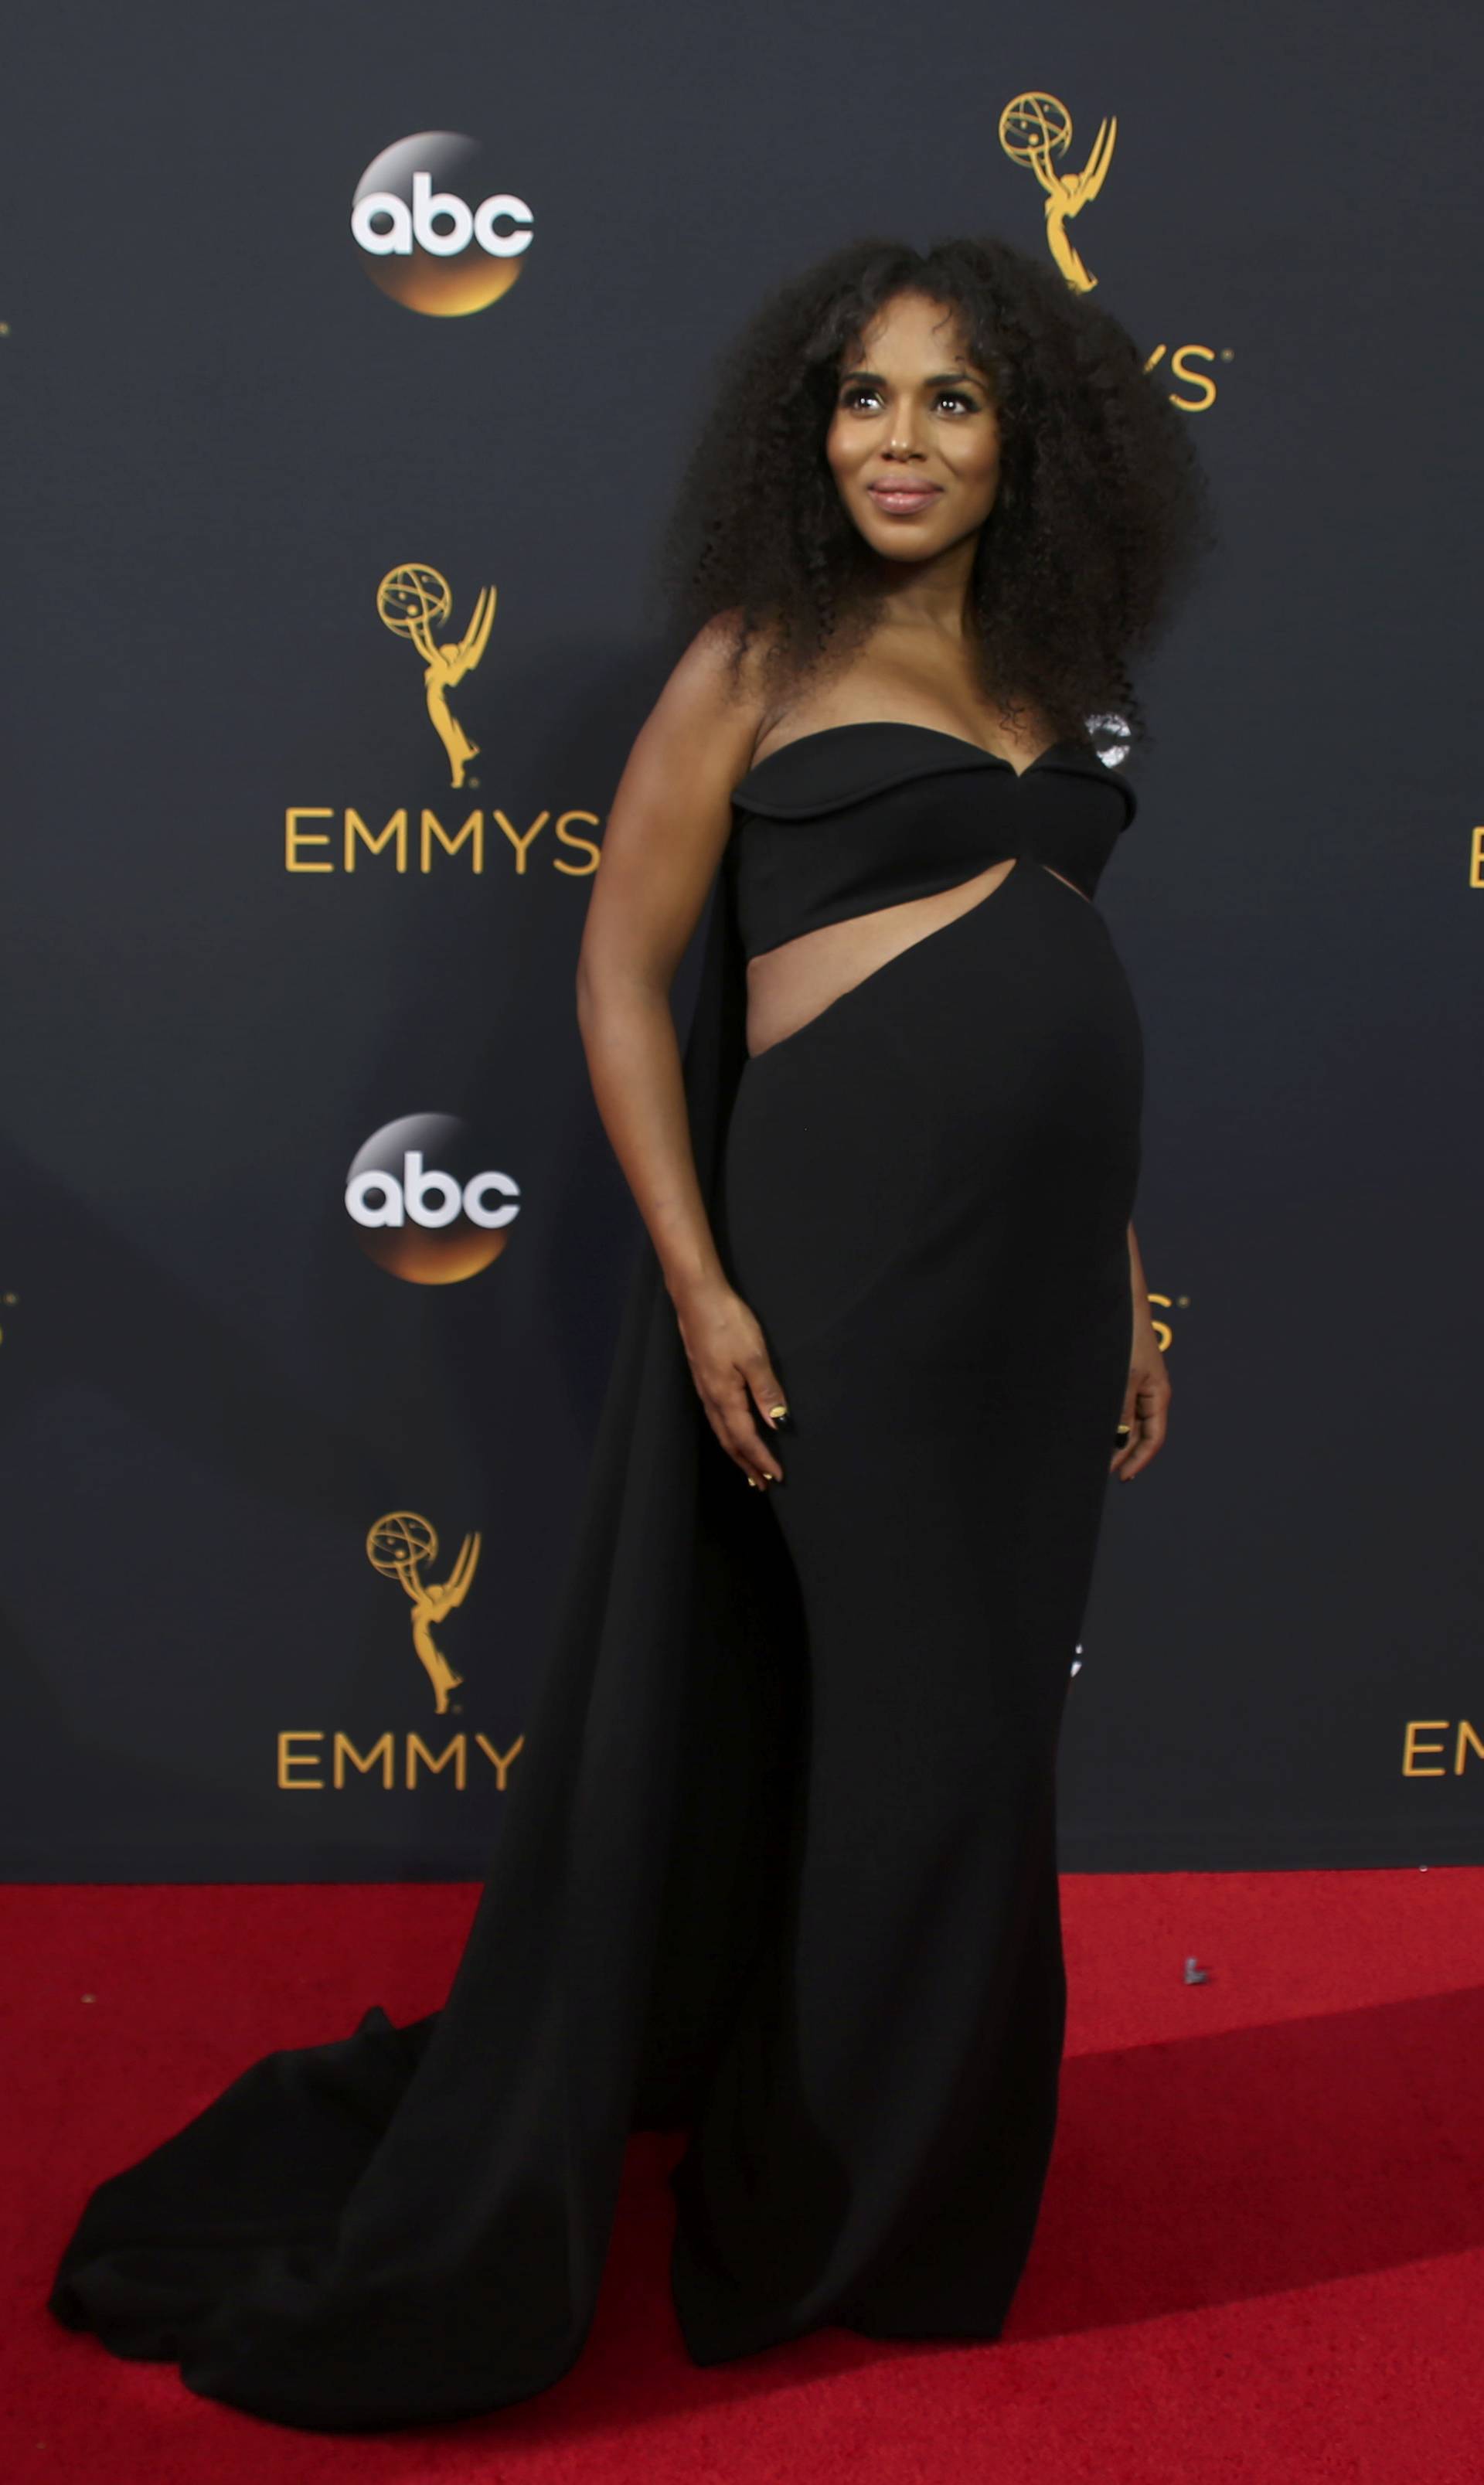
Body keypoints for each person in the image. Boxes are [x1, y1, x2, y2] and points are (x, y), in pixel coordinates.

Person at [49, 235, 1211, 2430]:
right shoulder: (755, 658)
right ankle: (807, 2221)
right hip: (837, 1272)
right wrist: (697, 1275)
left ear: (1022, 442)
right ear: (812, 428)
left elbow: (1054, 990)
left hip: (1043, 1296)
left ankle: (918, 2190)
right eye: (864, 399)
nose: (901, 438)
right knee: (894, 1733)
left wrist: (1131, 1279)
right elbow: (619, 974)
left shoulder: (1064, 675)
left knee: (976, 1746)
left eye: (951, 403)